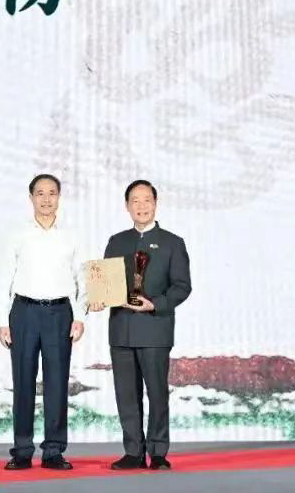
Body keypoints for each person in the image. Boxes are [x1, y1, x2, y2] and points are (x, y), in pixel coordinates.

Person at [0, 174, 87, 470]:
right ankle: (22, 451)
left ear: (59, 197)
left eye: (52, 193)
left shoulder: (71, 236)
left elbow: (83, 279)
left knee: (57, 383)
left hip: (60, 313)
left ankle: (53, 451)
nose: (46, 199)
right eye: (40, 193)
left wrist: (80, 316)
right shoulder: (17, 235)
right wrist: (2, 320)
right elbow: (4, 279)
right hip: (23, 313)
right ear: (31, 197)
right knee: (23, 381)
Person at [103, 179, 191, 471]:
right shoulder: (116, 241)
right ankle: (133, 452)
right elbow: (106, 283)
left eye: (146, 200)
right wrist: (98, 297)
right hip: (121, 329)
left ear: (155, 203)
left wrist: (156, 304)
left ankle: (158, 452)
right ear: (127, 206)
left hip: (155, 328)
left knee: (157, 394)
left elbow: (182, 286)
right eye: (135, 201)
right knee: (127, 395)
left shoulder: (173, 243)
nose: (141, 206)